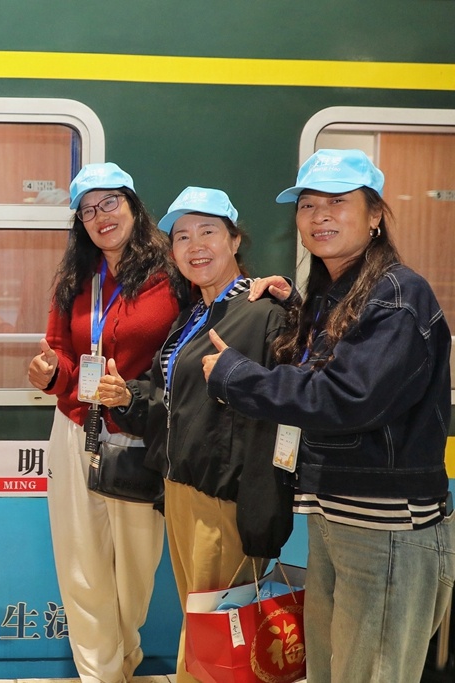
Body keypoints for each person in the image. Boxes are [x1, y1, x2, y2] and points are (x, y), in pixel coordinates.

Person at [202, 149, 455, 683]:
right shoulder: (334, 294)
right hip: (337, 513)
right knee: (329, 667)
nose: (319, 216)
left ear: (375, 214)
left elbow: (347, 396)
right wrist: (295, 308)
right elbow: (337, 362)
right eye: (308, 205)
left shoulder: (397, 295)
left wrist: (236, 375)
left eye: (337, 202)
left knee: (370, 672)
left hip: (385, 524)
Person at [100, 187, 294, 682]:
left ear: (235, 240)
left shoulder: (263, 311)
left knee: (217, 631)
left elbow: (282, 414)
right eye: (182, 237)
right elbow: (171, 403)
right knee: (203, 621)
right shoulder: (193, 316)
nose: (195, 245)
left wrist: (263, 509)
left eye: (208, 231)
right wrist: (127, 398)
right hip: (180, 489)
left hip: (225, 499)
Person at [27, 162, 182, 682]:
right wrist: (51, 374)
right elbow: (59, 353)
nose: (100, 216)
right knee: (82, 566)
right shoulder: (75, 279)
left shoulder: (173, 274)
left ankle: (124, 659)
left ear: (133, 206)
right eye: (88, 210)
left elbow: (197, 344)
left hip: (139, 436)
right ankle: (100, 674)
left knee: (135, 570)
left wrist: (267, 287)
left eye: (110, 202)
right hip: (77, 429)